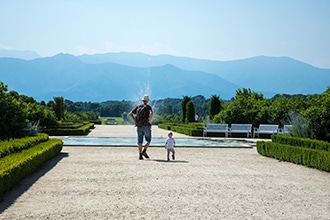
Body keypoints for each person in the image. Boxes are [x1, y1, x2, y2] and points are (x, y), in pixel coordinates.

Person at [129, 95, 153, 160]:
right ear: (147, 101)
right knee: (148, 140)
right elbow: (151, 114)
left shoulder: (138, 106)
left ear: (142, 101)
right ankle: (144, 151)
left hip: (139, 126)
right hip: (146, 126)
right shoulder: (148, 107)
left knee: (140, 141)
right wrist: (149, 120)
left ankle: (140, 155)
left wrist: (135, 120)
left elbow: (130, 114)